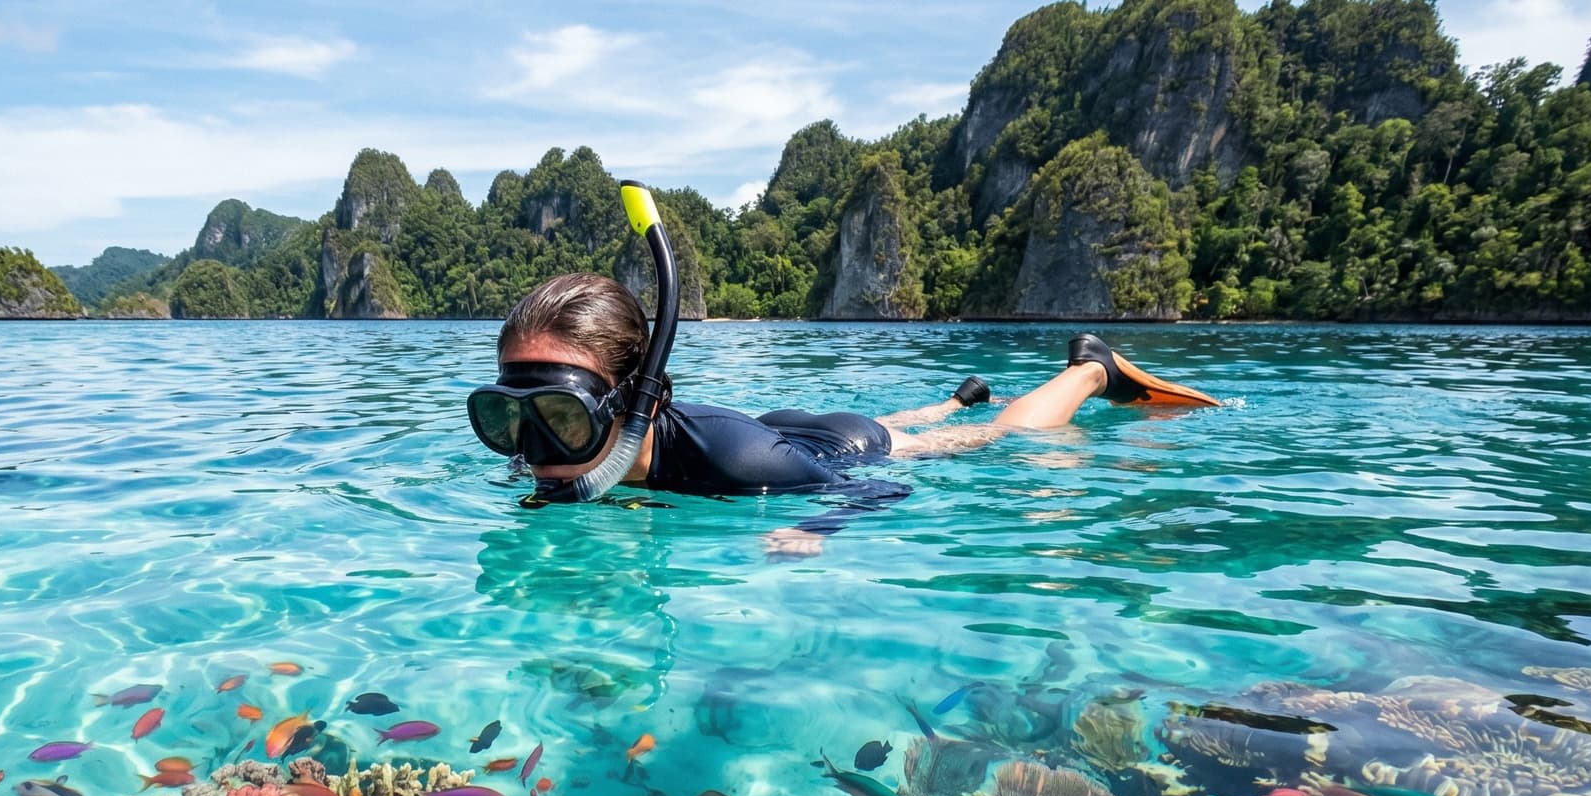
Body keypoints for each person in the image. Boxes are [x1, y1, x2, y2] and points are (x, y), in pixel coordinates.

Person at [465, 183, 1217, 552]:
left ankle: (1087, 370)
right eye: (508, 421)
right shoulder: (556, 459)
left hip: (821, 450)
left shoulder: (736, 464)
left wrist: (818, 525)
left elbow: (884, 488)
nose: (533, 453)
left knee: (977, 440)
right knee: (919, 418)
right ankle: (954, 397)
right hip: (785, 429)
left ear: (637, 404)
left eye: (561, 419)